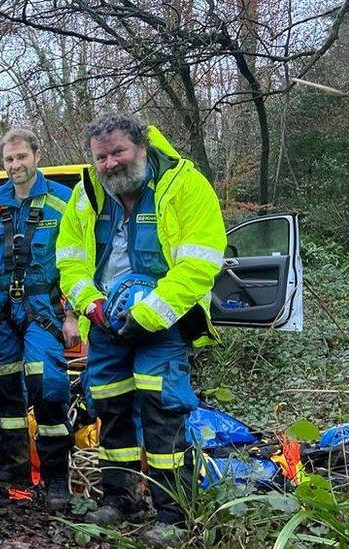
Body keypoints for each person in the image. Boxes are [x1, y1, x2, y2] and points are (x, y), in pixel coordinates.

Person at [57, 114, 226, 545]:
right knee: (110, 409)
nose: (110, 163)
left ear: (142, 147)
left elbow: (200, 263)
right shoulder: (85, 196)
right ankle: (121, 497)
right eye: (100, 156)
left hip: (164, 322)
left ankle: (174, 513)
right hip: (106, 323)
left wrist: (148, 313)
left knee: (162, 410)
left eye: (118, 152)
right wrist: (90, 304)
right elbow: (70, 261)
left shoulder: (184, 185)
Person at [0, 129, 78, 511]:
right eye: (9, 160)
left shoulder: (65, 203)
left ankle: (55, 478)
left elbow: (77, 262)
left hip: (44, 308)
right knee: (2, 387)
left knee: (48, 386)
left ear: (37, 154)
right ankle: (16, 467)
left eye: (21, 157)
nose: (16, 165)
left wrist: (71, 314)